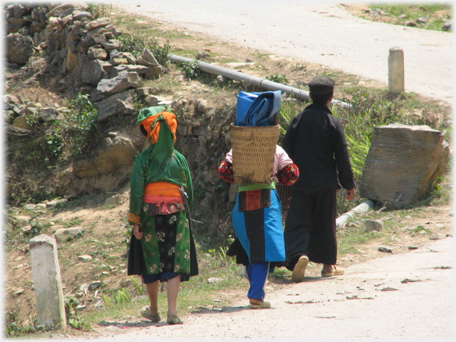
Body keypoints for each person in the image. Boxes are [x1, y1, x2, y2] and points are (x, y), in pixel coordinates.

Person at [127, 105, 198, 324]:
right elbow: (190, 191)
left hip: (150, 215)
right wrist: (187, 214)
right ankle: (172, 312)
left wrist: (135, 220)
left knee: (152, 262)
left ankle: (154, 310)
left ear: (151, 132)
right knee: (173, 263)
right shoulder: (179, 159)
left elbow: (138, 190)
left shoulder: (144, 159)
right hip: (177, 216)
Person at [282, 76, 355, 283]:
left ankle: (299, 256)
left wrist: (284, 178)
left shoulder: (298, 120)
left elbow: (286, 151)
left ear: (310, 96)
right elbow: (342, 155)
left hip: (301, 183)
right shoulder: (333, 122)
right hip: (326, 184)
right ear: (330, 97)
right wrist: (348, 184)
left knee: (298, 222)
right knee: (325, 223)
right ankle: (327, 267)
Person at [218, 144, 299, 308]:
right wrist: (275, 176)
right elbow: (293, 174)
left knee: (248, 247)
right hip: (266, 202)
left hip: (243, 200)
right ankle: (256, 295)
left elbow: (224, 170)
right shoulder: (274, 148)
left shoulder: (240, 148)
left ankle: (257, 293)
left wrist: (241, 177)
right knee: (264, 249)